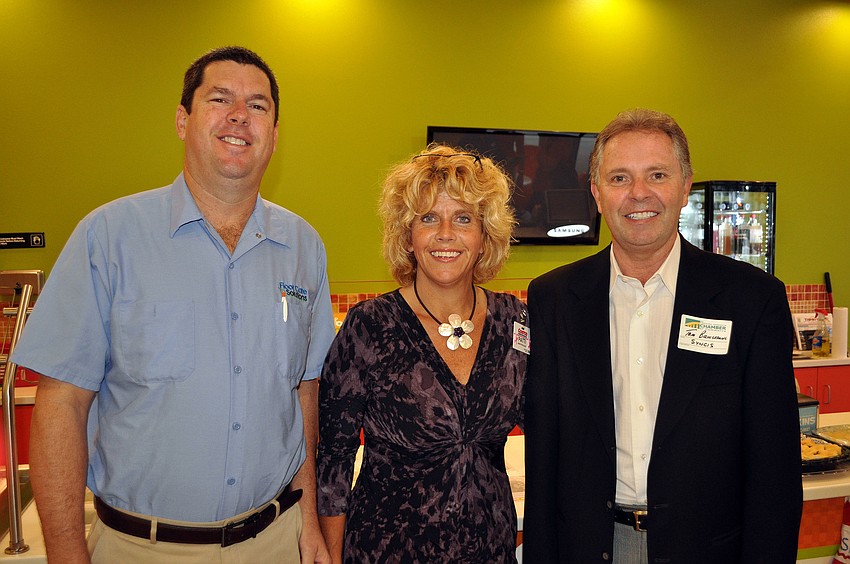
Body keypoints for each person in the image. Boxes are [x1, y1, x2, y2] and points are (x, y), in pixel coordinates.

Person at [11, 46, 335, 563]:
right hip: (142, 548)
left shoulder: (303, 248)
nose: (239, 116)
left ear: (273, 134)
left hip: (274, 540)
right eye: (220, 99)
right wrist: (67, 553)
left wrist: (310, 520)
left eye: (258, 106)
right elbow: (61, 405)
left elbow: (303, 392)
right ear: (183, 120)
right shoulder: (108, 238)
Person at [523, 108, 802, 563]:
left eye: (657, 174)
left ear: (686, 185)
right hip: (590, 545)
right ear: (596, 193)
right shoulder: (552, 300)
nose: (639, 194)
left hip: (708, 550)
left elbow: (775, 471)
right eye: (618, 178)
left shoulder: (751, 301)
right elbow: (544, 455)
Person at [316, 144, 529, 563]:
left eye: (463, 218)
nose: (445, 234)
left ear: (485, 236)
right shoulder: (370, 326)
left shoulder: (516, 322)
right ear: (407, 236)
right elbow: (333, 460)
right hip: (385, 551)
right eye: (428, 218)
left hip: (490, 549)